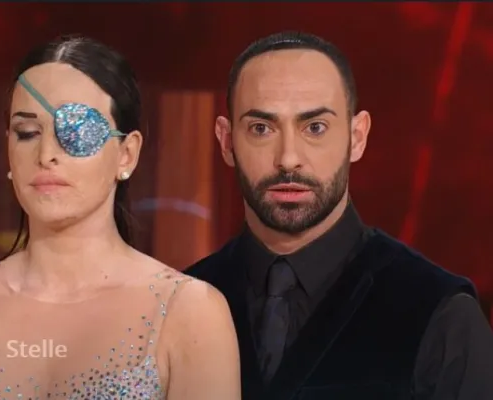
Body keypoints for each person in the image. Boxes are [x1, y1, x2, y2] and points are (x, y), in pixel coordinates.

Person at [0, 35, 241, 400]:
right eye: (27, 133)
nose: (46, 154)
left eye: (77, 132)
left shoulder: (190, 314)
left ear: (127, 154)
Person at [186, 31, 493, 400]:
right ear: (226, 141)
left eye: (315, 128)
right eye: (261, 128)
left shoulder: (439, 312)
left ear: (357, 136)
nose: (288, 159)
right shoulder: (181, 303)